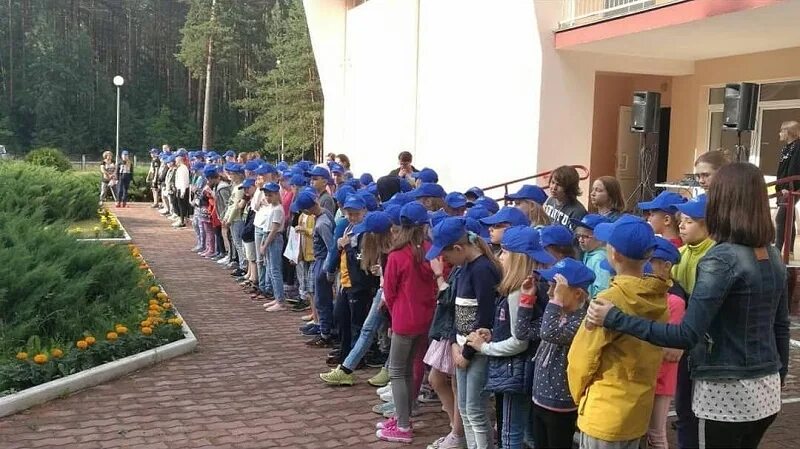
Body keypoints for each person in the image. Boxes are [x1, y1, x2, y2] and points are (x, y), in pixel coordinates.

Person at [586, 163, 790, 449]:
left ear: (723, 202)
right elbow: (781, 326)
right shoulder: (772, 255)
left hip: (724, 391)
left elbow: (686, 334)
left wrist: (615, 317)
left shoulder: (721, 259)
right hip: (766, 391)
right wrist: (777, 378)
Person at [567, 214, 669, 449]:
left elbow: (581, 358)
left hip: (604, 410)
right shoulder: (657, 296)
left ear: (614, 254)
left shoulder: (609, 299)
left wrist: (581, 397)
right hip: (637, 410)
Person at [467, 226, 556, 449]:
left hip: (515, 371)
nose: (500, 257)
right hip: (527, 371)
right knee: (527, 432)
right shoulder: (537, 285)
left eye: (505, 252)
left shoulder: (518, 292)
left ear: (518, 258)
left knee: (510, 434)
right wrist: (494, 334)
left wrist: (484, 348)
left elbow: (519, 340)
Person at [427, 217, 502, 449]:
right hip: (461, 347)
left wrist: (466, 353)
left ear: (459, 248)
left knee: (475, 411)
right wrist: (454, 345)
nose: (445, 260)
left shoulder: (482, 270)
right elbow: (456, 312)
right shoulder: (464, 268)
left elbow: (485, 318)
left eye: (446, 254)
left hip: (474, 352)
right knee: (466, 410)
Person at [376, 202, 438, 444]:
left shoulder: (397, 255)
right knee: (414, 367)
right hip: (426, 316)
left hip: (404, 317)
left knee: (397, 371)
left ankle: (402, 425)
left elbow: (389, 292)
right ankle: (405, 415)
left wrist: (392, 316)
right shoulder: (431, 250)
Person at [527, 259, 595, 449]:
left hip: (561, 403)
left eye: (555, 289)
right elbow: (523, 332)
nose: (549, 294)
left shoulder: (582, 321)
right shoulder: (557, 315)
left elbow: (549, 333)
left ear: (577, 294)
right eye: (550, 288)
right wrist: (526, 300)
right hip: (539, 397)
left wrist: (555, 302)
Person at [320, 211, 394, 386]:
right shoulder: (374, 244)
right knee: (368, 329)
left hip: (387, 294)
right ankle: (347, 369)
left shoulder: (393, 248)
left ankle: (388, 370)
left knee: (393, 335)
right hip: (382, 292)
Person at [645, 237, 687, 449]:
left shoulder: (675, 299)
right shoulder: (648, 292)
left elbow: (669, 348)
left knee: (657, 432)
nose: (646, 265)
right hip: (646, 374)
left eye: (651, 260)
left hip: (662, 376)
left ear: (666, 266)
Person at [294, 189, 337, 348]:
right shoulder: (324, 214)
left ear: (306, 210)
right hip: (322, 260)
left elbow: (331, 247)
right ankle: (326, 329)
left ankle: (326, 333)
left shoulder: (321, 223)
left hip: (322, 261)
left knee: (322, 300)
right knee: (322, 299)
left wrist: (329, 269)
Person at [260, 182, 287, 311]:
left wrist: (265, 245)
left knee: (275, 270)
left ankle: (280, 301)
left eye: (270, 195)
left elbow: (274, 229)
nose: (267, 198)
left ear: (277, 194)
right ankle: (277, 297)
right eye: (266, 195)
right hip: (269, 237)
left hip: (274, 239)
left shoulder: (278, 209)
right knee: (271, 269)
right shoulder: (272, 207)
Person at [571, 214, 611, 299]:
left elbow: (602, 291)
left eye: (585, 237)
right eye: (579, 236)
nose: (580, 240)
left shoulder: (599, 259)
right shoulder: (589, 252)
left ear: (601, 238)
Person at [776, 121, 800, 253]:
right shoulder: (786, 147)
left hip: (792, 188)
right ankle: (789, 250)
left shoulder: (798, 146)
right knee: (789, 218)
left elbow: (794, 169)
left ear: (789, 132)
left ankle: (778, 249)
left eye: (782, 130)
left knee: (781, 218)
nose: (780, 133)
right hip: (783, 187)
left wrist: (788, 187)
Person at [173, 154, 190, 227]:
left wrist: (182, 191)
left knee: (182, 206)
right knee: (178, 204)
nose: (175, 162)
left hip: (182, 189)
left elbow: (183, 180)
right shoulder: (180, 168)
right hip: (179, 188)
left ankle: (182, 221)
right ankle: (181, 219)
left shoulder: (183, 168)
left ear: (180, 160)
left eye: (176, 160)